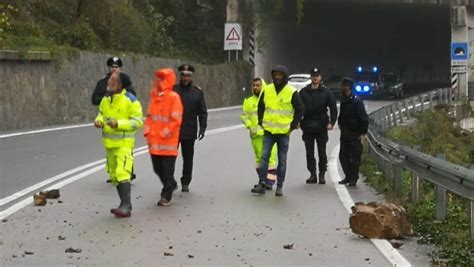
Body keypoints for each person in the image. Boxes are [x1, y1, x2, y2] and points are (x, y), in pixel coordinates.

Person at [94, 72, 143, 218]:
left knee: (123, 173)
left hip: (124, 144)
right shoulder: (106, 99)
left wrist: (119, 124)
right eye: (110, 79)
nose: (110, 81)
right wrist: (99, 120)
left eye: (113, 79)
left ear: (121, 84)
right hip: (109, 144)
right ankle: (124, 203)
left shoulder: (131, 100)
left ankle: (126, 206)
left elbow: (137, 121)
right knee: (114, 175)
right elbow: (101, 114)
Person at [251, 65, 304, 196]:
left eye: (280, 75)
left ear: (284, 77)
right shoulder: (267, 89)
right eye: (275, 75)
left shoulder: (291, 92)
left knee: (282, 160)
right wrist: (260, 121)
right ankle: (262, 183)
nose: (277, 77)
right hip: (269, 131)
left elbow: (300, 109)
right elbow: (261, 106)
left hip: (283, 132)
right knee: (264, 158)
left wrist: (293, 125)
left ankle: (279, 185)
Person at [91, 56, 138, 183]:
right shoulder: (102, 84)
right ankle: (114, 173)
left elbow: (133, 98)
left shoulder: (126, 83)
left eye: (116, 67)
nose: (114, 69)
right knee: (111, 151)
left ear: (120, 68)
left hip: (124, 124)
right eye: (112, 67)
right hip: (109, 125)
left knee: (125, 151)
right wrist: (107, 100)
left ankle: (128, 173)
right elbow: (94, 99)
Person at [144, 68, 183, 206]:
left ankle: (166, 195)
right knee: (157, 168)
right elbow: (149, 116)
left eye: (162, 78)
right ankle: (171, 184)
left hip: (168, 142)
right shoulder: (155, 96)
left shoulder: (174, 97)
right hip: (154, 141)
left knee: (167, 170)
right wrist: (147, 130)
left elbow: (176, 119)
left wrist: (165, 132)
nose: (159, 81)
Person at [299, 67, 337, 185]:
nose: (315, 78)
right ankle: (312, 174)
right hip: (308, 125)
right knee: (309, 153)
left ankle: (322, 174)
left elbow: (333, 108)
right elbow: (298, 108)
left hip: (321, 125)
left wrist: (332, 122)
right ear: (310, 77)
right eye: (313, 76)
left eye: (317, 76)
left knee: (322, 152)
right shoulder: (304, 92)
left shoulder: (326, 92)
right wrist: (298, 121)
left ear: (320, 77)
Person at [173, 64, 208, 192]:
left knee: (188, 158)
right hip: (173, 131)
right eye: (183, 75)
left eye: (188, 75)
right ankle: (169, 181)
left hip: (189, 130)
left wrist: (202, 128)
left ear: (191, 76)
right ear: (180, 76)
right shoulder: (173, 91)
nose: (185, 78)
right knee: (169, 158)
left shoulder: (197, 93)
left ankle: (186, 181)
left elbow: (202, 112)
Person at [241, 78, 278, 190]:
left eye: (258, 85)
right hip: (255, 135)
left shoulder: (270, 100)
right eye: (254, 85)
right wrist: (249, 125)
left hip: (268, 134)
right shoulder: (248, 101)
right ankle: (262, 180)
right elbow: (244, 116)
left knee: (270, 158)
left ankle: (269, 182)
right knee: (259, 159)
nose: (255, 87)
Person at [337, 78, 369, 187]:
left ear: (349, 87)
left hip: (355, 133)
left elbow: (364, 118)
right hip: (345, 133)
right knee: (343, 156)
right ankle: (348, 176)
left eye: (343, 85)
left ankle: (353, 178)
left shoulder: (356, 101)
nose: (341, 87)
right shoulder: (343, 99)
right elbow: (342, 114)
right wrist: (340, 123)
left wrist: (363, 133)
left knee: (355, 157)